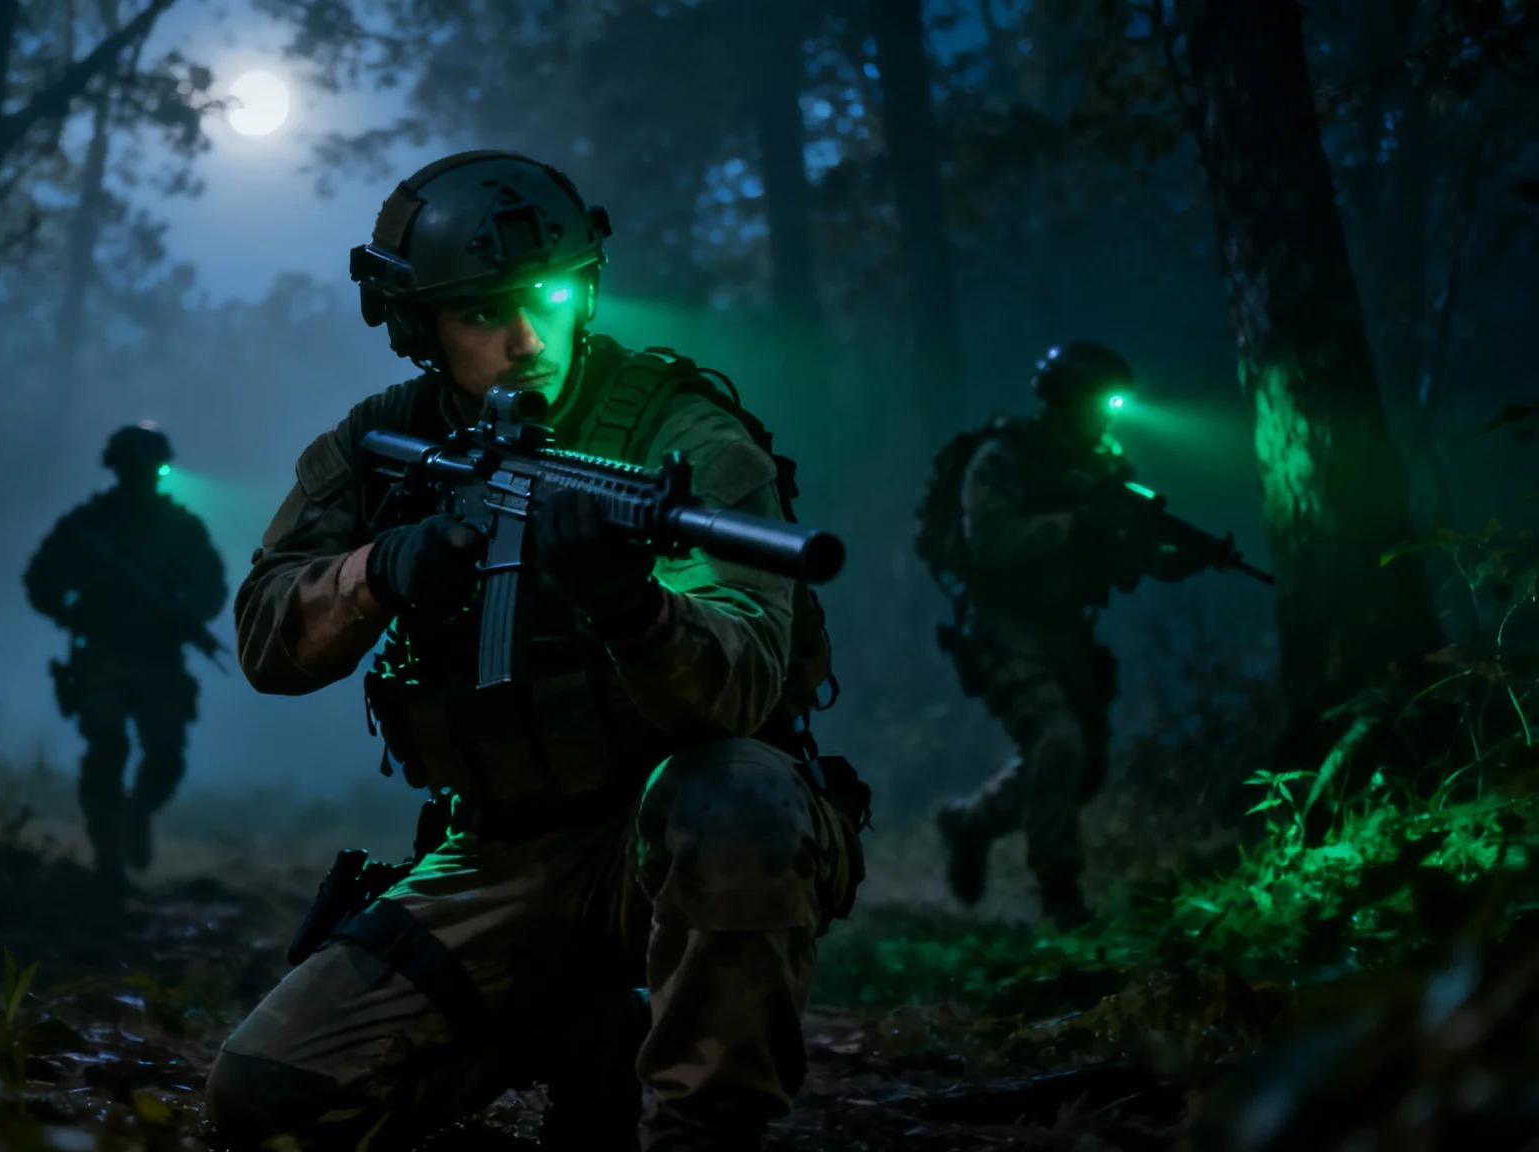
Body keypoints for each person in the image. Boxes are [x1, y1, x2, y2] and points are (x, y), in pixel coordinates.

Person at [203, 149, 864, 1152]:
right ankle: (578, 1030)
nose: (523, 339)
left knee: (735, 793)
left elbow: (738, 691)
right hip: (500, 852)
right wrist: (383, 568)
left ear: (585, 291)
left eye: (548, 298)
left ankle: (704, 1136)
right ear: (418, 326)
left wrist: (631, 606)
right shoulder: (382, 443)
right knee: (266, 1098)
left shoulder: (680, 435)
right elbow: (266, 642)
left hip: (674, 835)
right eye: (481, 313)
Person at [923, 343, 1212, 927]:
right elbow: (988, 542)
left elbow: (1121, 554)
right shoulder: (1004, 458)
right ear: (1062, 398)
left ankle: (972, 822)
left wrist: (1166, 557)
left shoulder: (1105, 465)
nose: (1104, 416)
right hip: (1002, 622)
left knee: (1081, 768)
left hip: (1067, 628)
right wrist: (1073, 526)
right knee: (1057, 743)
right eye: (1095, 403)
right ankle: (1060, 895)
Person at [24, 424, 227, 888]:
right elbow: (40, 580)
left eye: (148, 467)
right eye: (133, 466)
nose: (141, 475)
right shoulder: (87, 527)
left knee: (166, 755)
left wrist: (186, 614)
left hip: (160, 657)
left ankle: (135, 816)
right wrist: (71, 612)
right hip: (101, 653)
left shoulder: (182, 528)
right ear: (117, 468)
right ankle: (108, 857)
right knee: (107, 749)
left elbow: (211, 587)